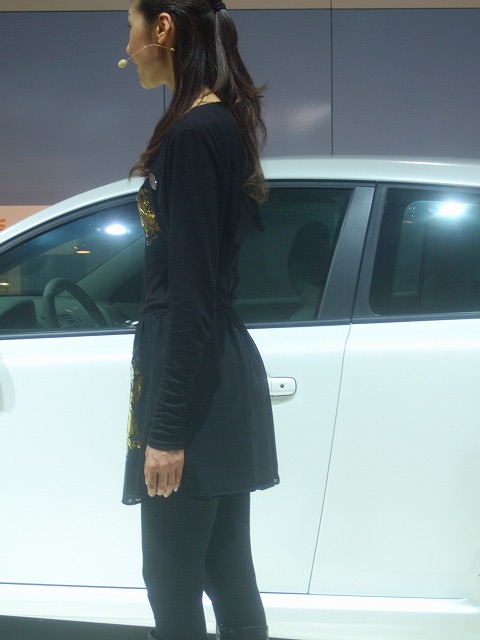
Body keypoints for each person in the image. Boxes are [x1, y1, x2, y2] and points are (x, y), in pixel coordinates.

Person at [120, 2, 279, 639]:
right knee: (225, 568)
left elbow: (189, 295)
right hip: (217, 372)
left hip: (193, 389)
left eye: (129, 28)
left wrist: (165, 431)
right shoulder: (221, 124)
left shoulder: (190, 134)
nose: (127, 47)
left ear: (162, 27)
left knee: (171, 578)